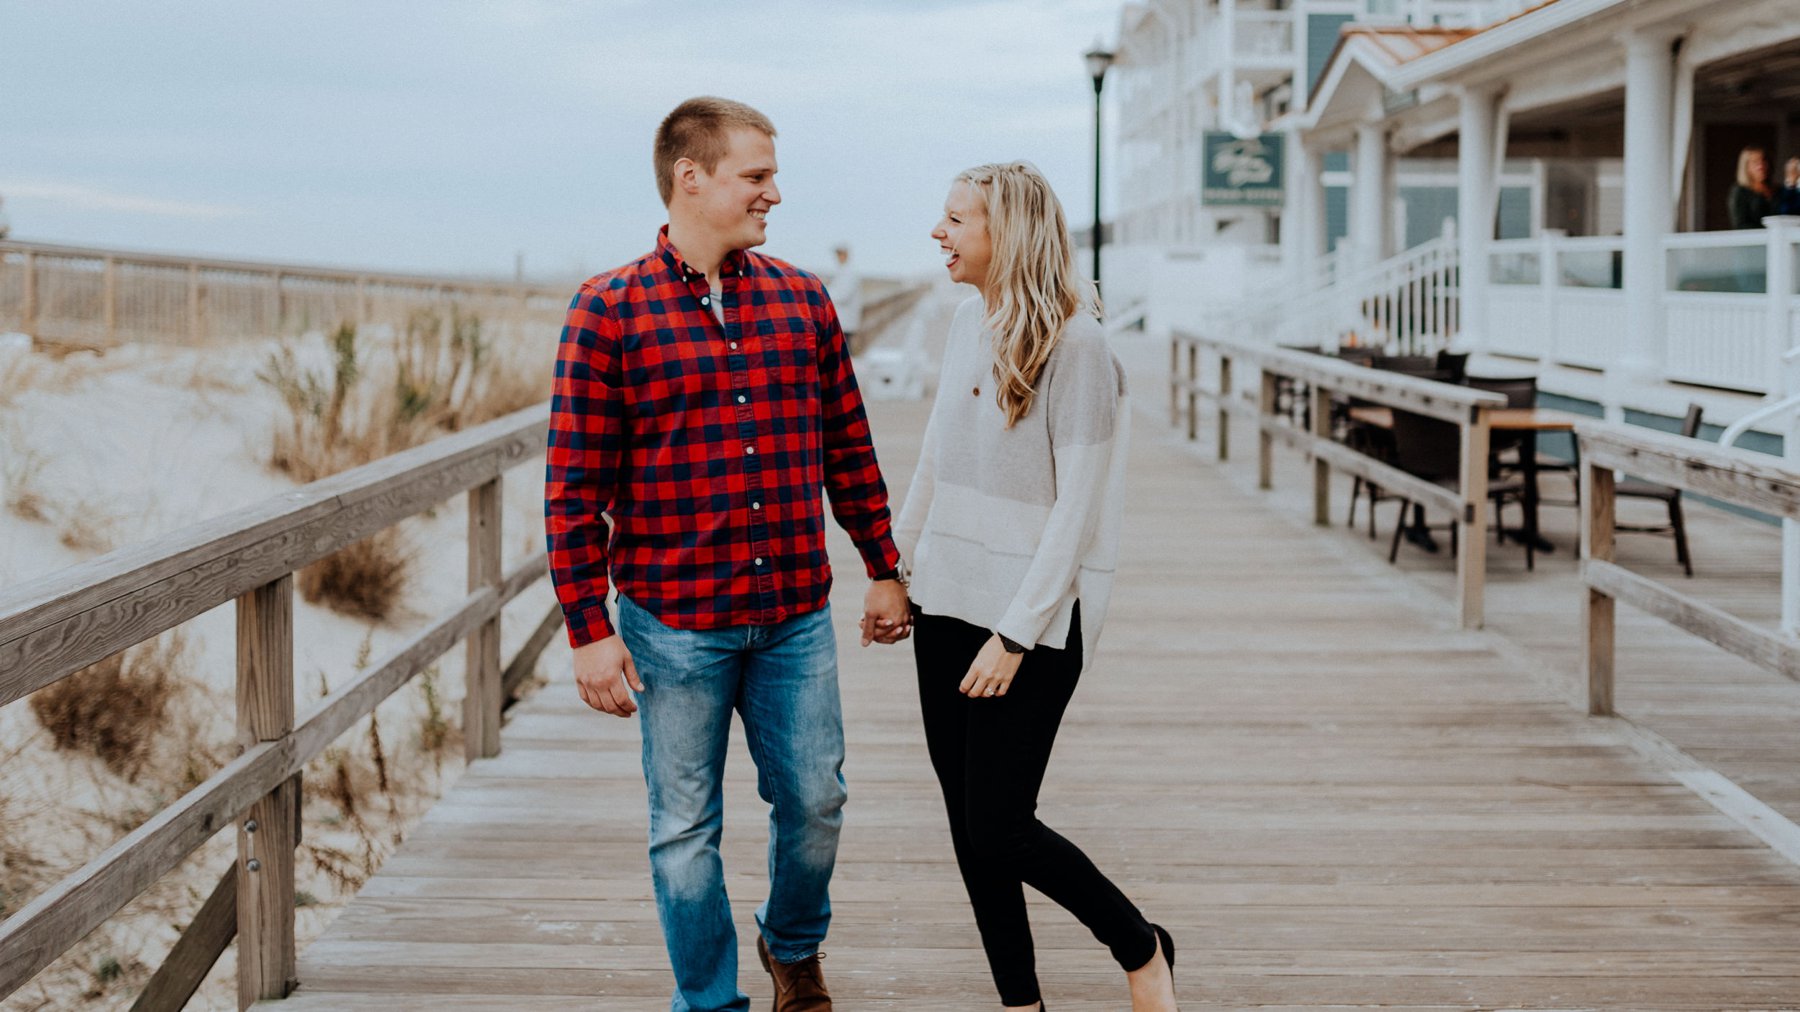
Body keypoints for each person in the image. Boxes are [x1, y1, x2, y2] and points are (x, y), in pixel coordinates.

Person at [544, 96, 911, 1012]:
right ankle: (710, 1001)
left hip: (793, 616)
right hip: (672, 625)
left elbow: (848, 448)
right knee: (682, 831)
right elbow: (571, 491)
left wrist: (884, 565)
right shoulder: (607, 311)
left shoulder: (801, 299)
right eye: (757, 176)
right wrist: (589, 630)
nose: (774, 195)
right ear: (690, 177)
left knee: (818, 804)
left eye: (772, 176)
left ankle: (792, 946)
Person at [883, 161, 1178, 1010]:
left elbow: (1077, 511)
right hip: (945, 605)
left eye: (954, 219)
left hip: (1027, 627)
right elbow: (937, 457)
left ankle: (1141, 946)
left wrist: (1016, 634)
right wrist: (894, 569)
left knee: (1000, 824)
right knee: (969, 828)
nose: (938, 233)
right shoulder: (965, 323)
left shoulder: (1081, 348)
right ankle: (1021, 1001)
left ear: (1003, 230)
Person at [1728, 146, 1776, 228]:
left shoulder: (1778, 190)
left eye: (1763, 161)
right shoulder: (1740, 191)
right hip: (1754, 238)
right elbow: (1740, 224)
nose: (1761, 166)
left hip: (1781, 237)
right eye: (1755, 162)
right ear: (1746, 167)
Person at [828, 244, 862, 350]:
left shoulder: (849, 273)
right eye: (838, 254)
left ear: (846, 255)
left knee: (844, 349)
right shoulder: (843, 271)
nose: (838, 257)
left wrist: (826, 294)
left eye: (841, 254)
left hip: (845, 318)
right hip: (843, 318)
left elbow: (843, 295)